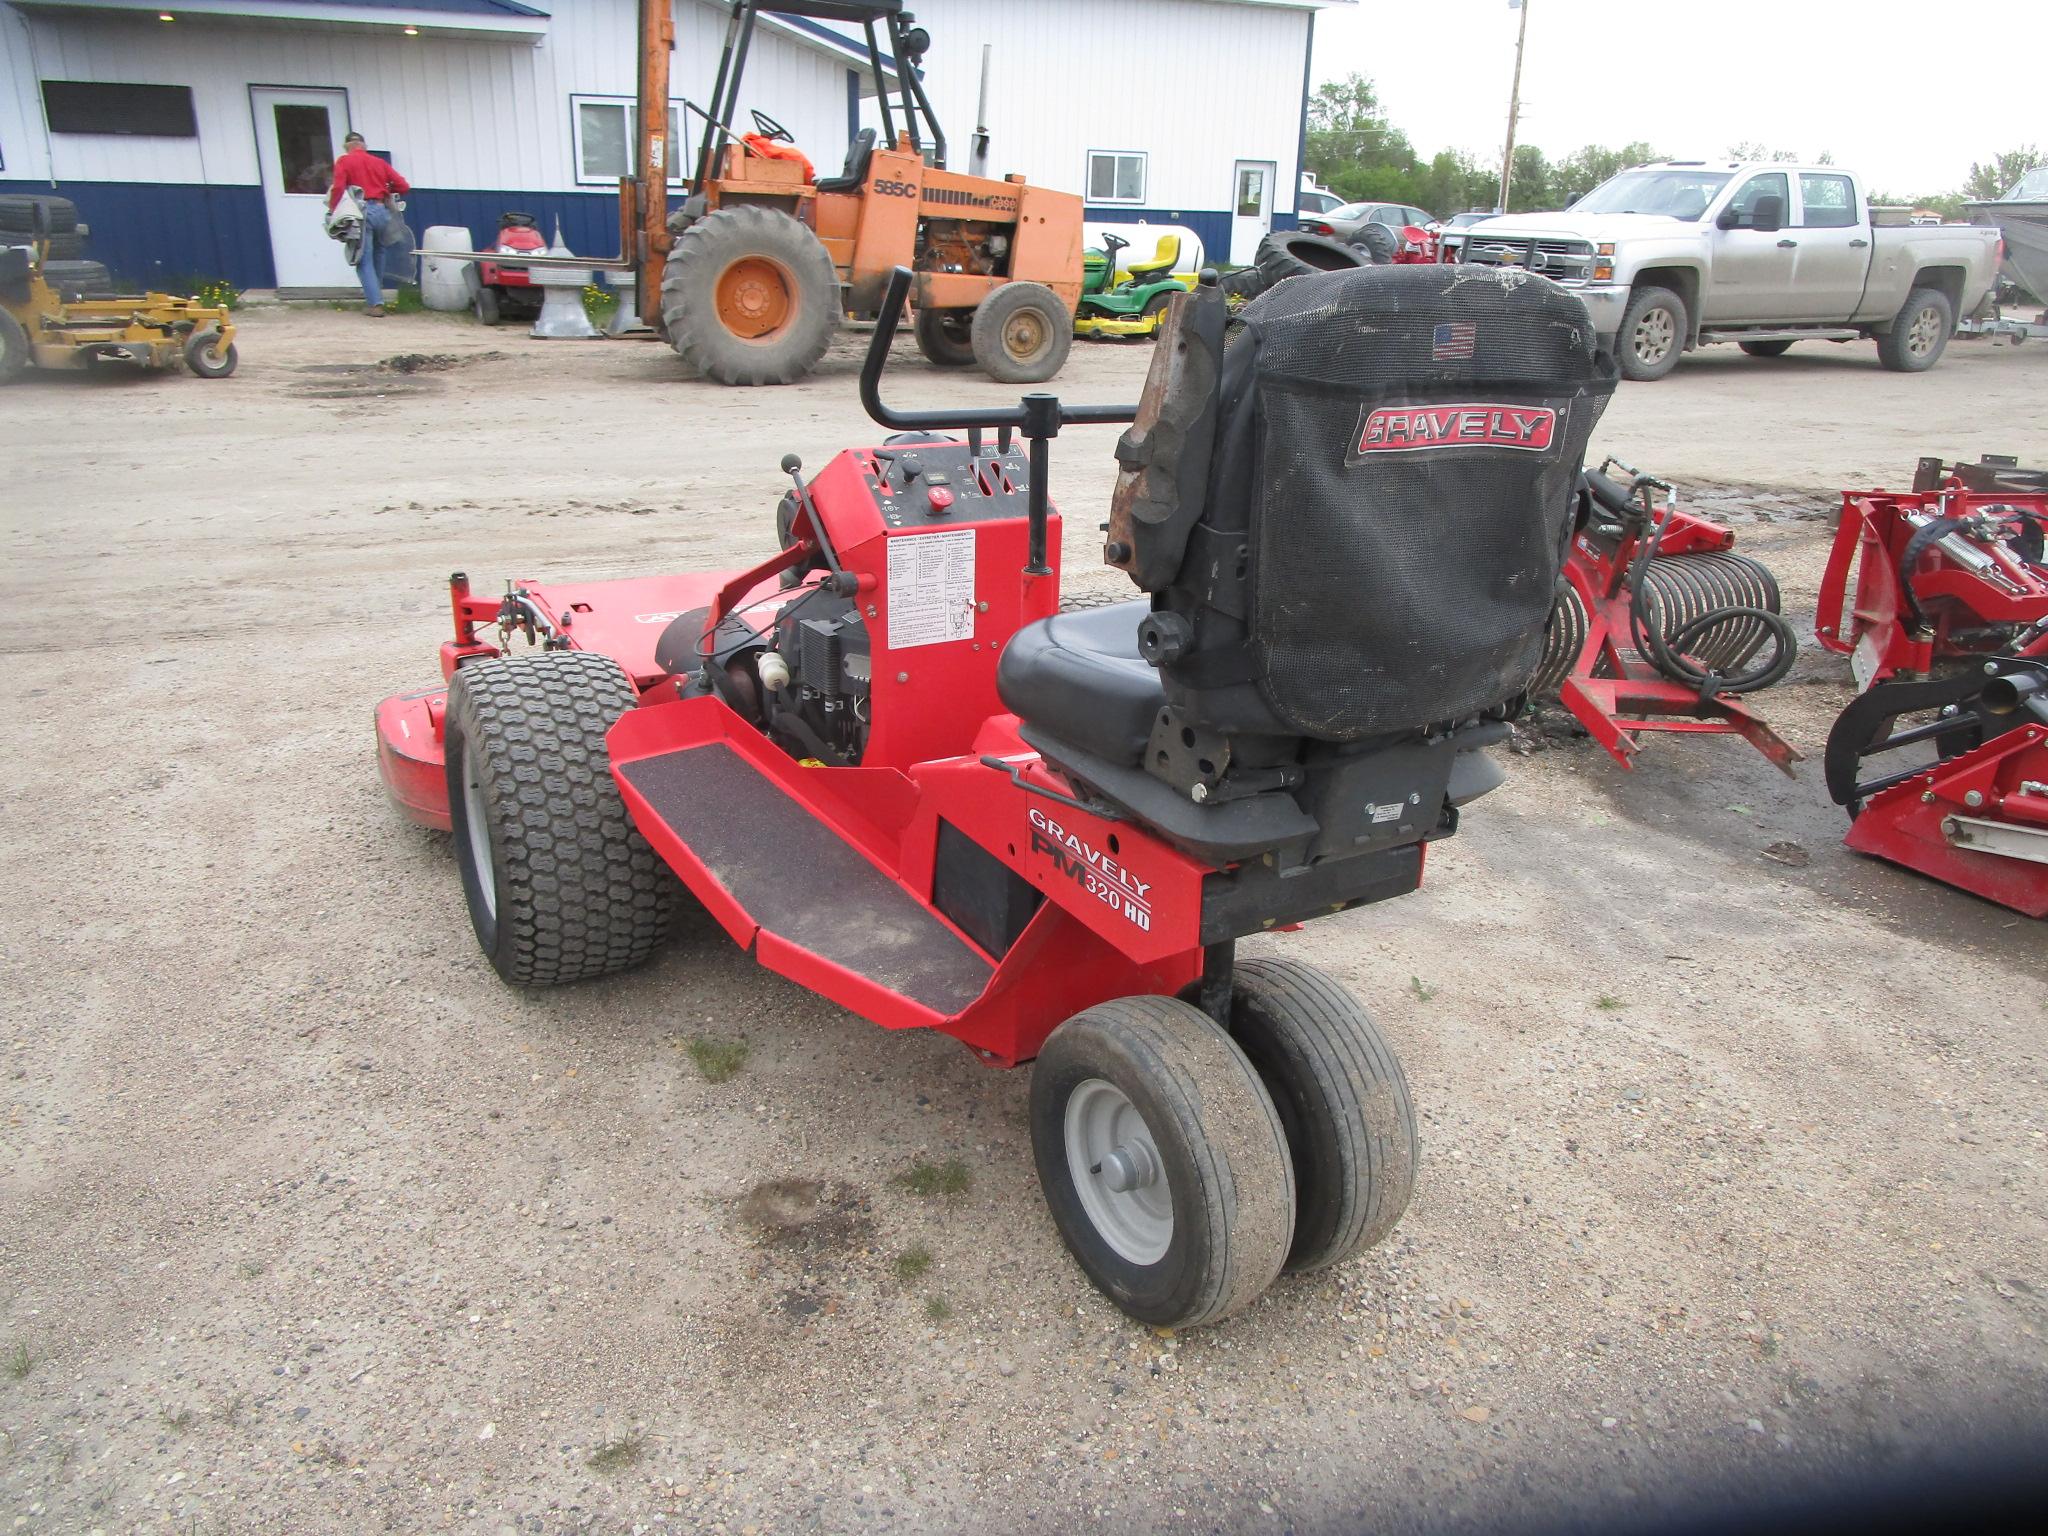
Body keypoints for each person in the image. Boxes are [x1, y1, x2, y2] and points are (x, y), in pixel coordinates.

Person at [326, 132, 411, 315]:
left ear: (347, 146)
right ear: (363, 145)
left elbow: (339, 187)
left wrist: (333, 210)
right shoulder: (379, 162)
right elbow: (403, 186)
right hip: (382, 211)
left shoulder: (344, 161)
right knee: (379, 255)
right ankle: (376, 296)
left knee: (363, 259)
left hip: (363, 211)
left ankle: (375, 304)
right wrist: (385, 189)